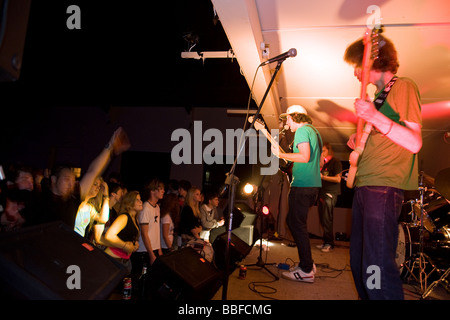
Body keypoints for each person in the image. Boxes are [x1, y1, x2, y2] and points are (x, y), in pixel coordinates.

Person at [344, 33, 422, 300]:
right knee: (359, 265)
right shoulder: (378, 96)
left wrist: (373, 116)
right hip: (366, 186)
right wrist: (361, 139)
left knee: (376, 266)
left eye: (356, 65)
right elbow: (384, 131)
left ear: (372, 61)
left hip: (384, 187)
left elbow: (413, 142)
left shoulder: (404, 86)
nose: (355, 73)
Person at [34, 127, 130, 229]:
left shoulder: (73, 199)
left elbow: (92, 172)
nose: (71, 183)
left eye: (73, 180)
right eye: (66, 179)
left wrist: (110, 147)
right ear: (54, 180)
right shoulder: (41, 200)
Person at [271, 104, 322, 283]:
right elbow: (314, 159)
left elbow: (304, 156)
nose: (287, 122)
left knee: (295, 224)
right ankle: (308, 264)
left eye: (288, 118)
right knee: (296, 223)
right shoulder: (314, 131)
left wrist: (281, 155)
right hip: (312, 185)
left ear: (296, 117)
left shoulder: (301, 131)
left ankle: (306, 269)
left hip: (303, 186)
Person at [104, 191, 141, 274]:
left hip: (125, 261)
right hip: (113, 260)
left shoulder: (135, 219)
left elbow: (128, 237)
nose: (141, 202)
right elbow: (109, 236)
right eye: (137, 200)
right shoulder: (124, 217)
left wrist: (135, 245)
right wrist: (124, 246)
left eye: (140, 199)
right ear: (130, 203)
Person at [316, 142, 342, 252]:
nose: (322, 153)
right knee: (322, 218)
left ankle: (329, 243)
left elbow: (338, 179)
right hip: (321, 193)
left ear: (329, 151)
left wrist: (323, 177)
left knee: (327, 218)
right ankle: (325, 241)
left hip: (330, 193)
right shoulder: (323, 163)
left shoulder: (335, 162)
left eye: (324, 151)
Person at [135, 179, 165, 267]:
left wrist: (159, 249)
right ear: (152, 191)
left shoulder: (157, 208)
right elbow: (144, 233)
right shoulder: (146, 208)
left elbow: (156, 230)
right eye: (160, 189)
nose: (163, 191)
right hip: (145, 251)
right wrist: (151, 254)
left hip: (154, 249)